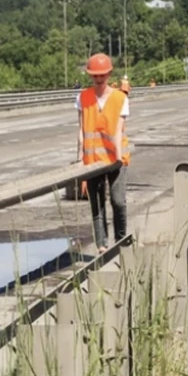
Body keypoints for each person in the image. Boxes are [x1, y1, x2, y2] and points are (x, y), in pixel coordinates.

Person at [76, 53, 129, 254]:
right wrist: (80, 158)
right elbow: (81, 130)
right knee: (96, 204)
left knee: (118, 201)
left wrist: (117, 157)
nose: (98, 80)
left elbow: (118, 129)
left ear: (108, 74)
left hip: (116, 158)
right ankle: (102, 245)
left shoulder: (120, 98)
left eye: (102, 76)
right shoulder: (83, 97)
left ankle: (121, 240)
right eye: (94, 76)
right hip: (93, 161)